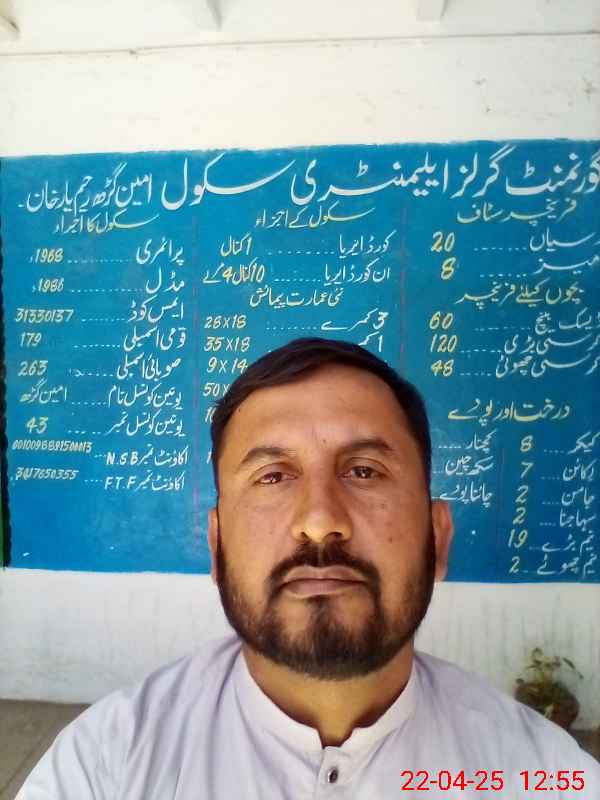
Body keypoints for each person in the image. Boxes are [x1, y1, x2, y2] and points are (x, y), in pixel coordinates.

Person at [17, 337, 599, 799]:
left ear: (437, 538)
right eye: (273, 477)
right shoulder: (104, 767)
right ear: (217, 548)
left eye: (365, 471)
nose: (320, 522)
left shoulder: (541, 774)